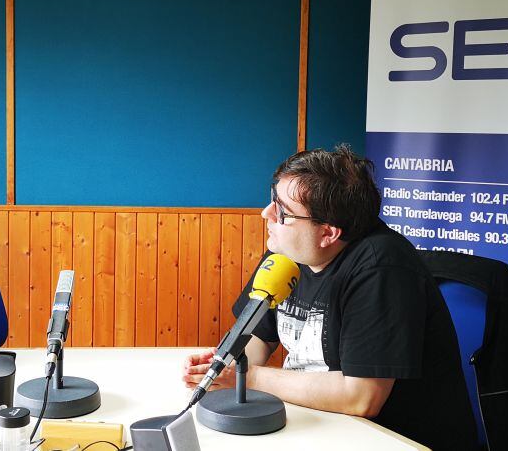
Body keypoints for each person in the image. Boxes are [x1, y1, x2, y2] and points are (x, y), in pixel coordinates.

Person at [182, 145, 477, 450]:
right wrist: (219, 369)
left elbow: (360, 397)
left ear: (328, 233)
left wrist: (250, 378)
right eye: (273, 199)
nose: (266, 214)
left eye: (282, 211)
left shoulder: (382, 268)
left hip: (392, 439)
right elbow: (255, 339)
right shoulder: (288, 250)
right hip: (318, 426)